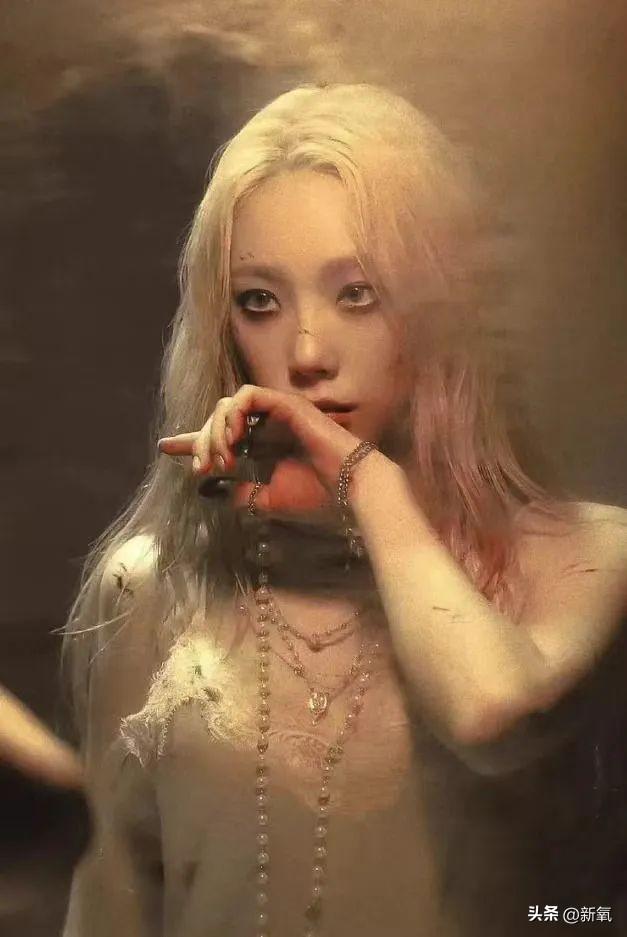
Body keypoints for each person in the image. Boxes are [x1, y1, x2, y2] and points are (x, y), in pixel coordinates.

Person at [61, 83, 627, 937]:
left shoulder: (587, 553)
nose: (306, 353)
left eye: (356, 293)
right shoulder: (149, 587)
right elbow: (111, 907)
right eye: (259, 300)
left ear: (440, 306)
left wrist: (367, 484)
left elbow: (489, 714)